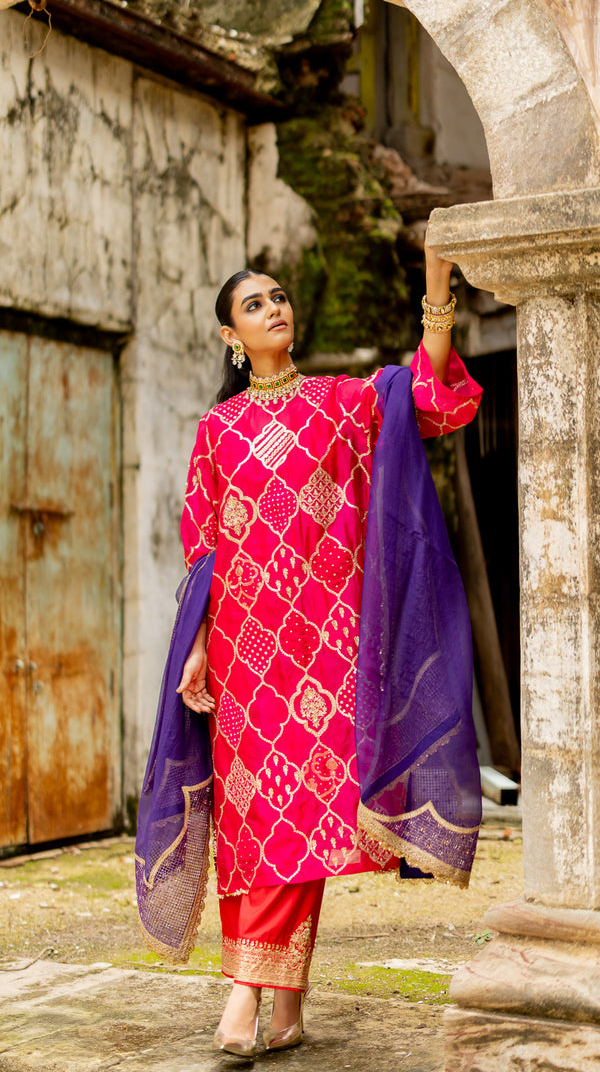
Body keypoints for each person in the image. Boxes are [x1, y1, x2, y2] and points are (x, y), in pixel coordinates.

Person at [173, 235, 482, 1056]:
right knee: (253, 823)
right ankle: (285, 1008)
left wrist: (436, 289)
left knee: (301, 813)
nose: (275, 307)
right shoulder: (217, 430)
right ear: (232, 338)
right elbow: (203, 546)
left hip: (327, 646)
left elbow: (428, 396)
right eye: (254, 304)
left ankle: (245, 997)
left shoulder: (344, 402)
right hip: (245, 650)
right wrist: (198, 644)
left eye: (278, 296)